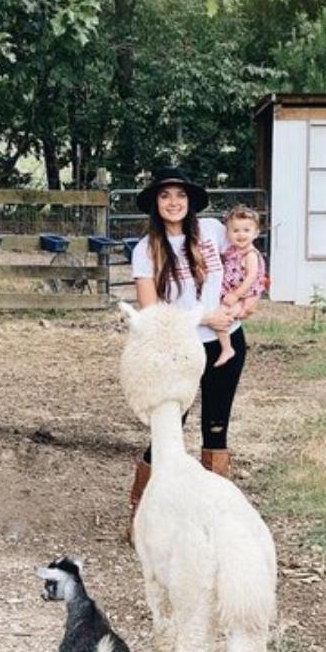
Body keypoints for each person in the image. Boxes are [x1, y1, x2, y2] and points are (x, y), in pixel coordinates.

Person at [127, 166, 251, 521]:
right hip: (177, 350)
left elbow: (246, 257)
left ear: (190, 200)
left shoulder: (212, 231)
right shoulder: (146, 250)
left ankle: (215, 516)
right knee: (168, 428)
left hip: (224, 342)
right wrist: (203, 317)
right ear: (155, 202)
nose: (173, 202)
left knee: (216, 426)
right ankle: (141, 512)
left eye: (180, 195)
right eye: (165, 195)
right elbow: (151, 312)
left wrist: (245, 299)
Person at [214, 205, 267, 367]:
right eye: (236, 231)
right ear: (228, 233)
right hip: (234, 292)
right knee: (221, 315)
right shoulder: (232, 250)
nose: (241, 234)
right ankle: (226, 347)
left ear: (256, 233)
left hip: (243, 295)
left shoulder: (250, 254)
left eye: (246, 230)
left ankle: (227, 348)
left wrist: (236, 295)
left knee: (221, 316)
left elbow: (251, 277)